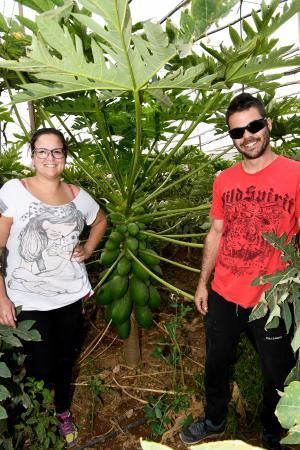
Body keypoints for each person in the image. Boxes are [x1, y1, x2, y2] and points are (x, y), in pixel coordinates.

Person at [180, 93, 300, 450]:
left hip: (273, 299)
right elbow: (216, 231)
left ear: (268, 125)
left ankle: (272, 430)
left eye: (254, 126)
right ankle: (214, 418)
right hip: (224, 292)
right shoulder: (224, 180)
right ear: (231, 137)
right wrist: (203, 283)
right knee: (216, 363)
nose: (247, 136)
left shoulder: (295, 174)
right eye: (237, 132)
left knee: (277, 373)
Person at [0, 128, 107, 447]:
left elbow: (100, 220)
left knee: (64, 361)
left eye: (57, 151)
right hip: (27, 297)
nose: (50, 158)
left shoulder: (78, 195)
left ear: (65, 155)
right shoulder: (13, 191)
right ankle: (27, 417)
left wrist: (87, 249)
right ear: (32, 155)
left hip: (71, 294)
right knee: (37, 365)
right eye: (42, 151)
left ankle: (62, 412)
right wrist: (1, 296)